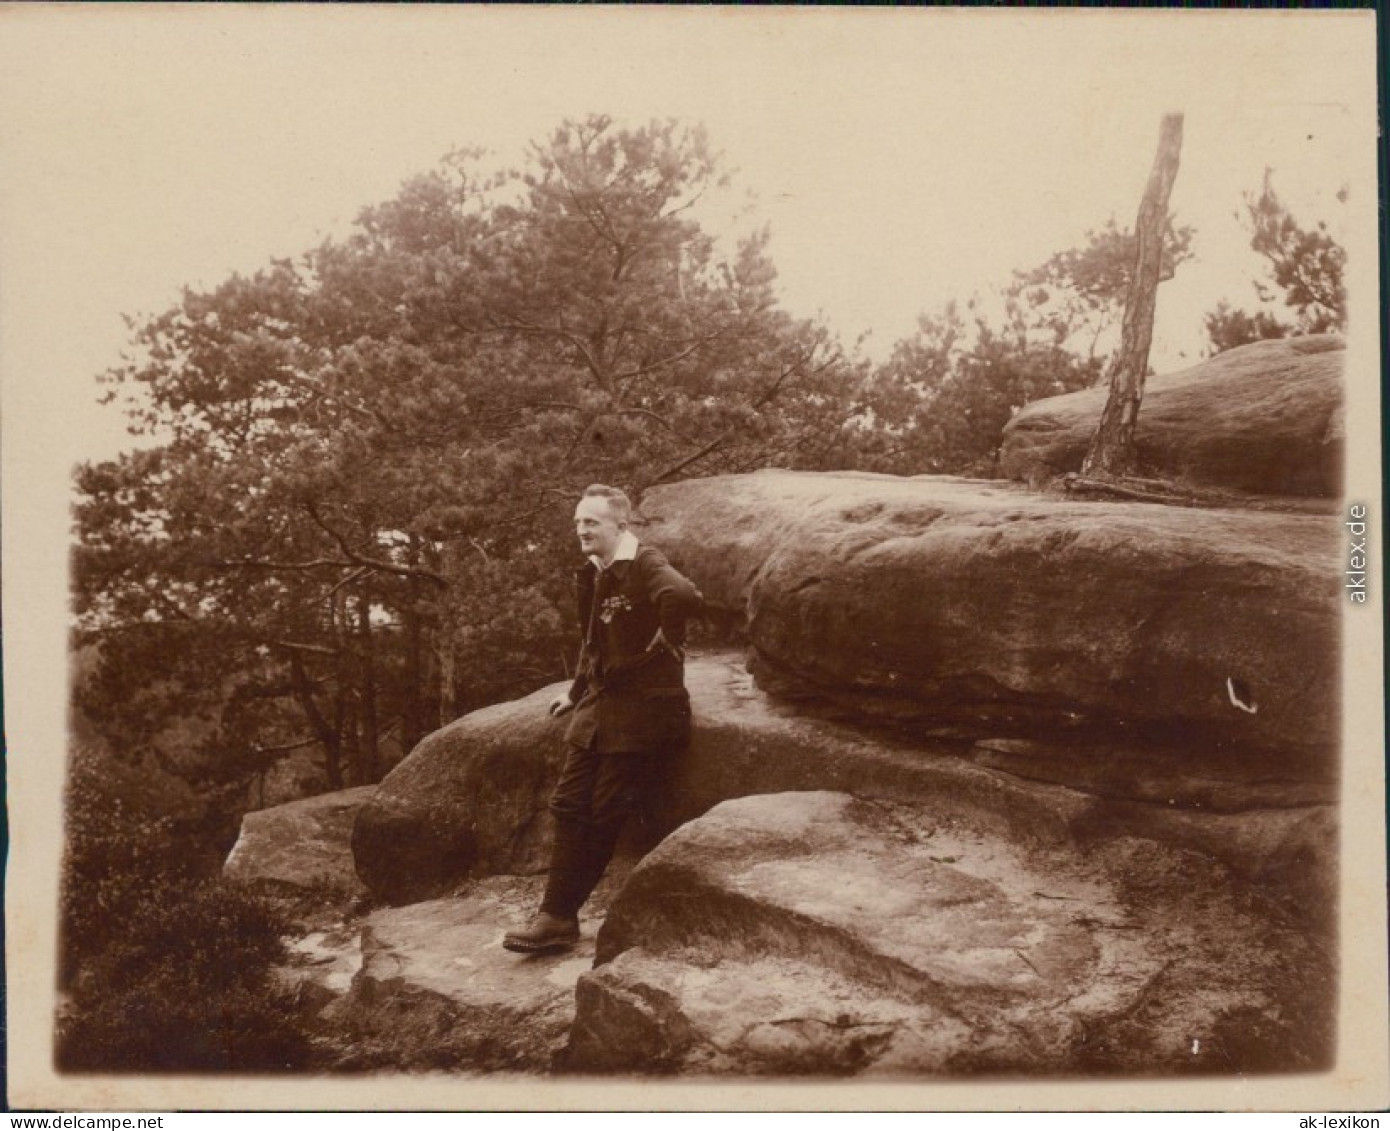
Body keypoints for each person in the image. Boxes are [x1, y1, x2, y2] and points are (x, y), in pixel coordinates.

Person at [503, 483, 703, 953]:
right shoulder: (595, 572)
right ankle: (554, 916)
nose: (581, 530)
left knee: (604, 812)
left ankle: (558, 918)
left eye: (591, 522)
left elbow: (682, 594)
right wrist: (575, 691)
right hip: (602, 706)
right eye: (577, 522)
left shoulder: (644, 563)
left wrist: (668, 638)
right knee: (569, 803)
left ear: (620, 525)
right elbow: (593, 641)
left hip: (645, 711)